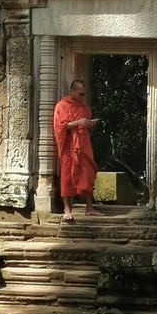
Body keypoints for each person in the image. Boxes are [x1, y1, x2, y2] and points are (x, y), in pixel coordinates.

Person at [53, 79, 100, 219]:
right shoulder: (62, 106)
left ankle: (89, 208)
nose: (82, 97)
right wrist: (78, 122)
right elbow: (59, 127)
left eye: (84, 94)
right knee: (67, 175)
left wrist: (89, 124)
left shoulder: (85, 108)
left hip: (83, 144)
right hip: (69, 146)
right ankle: (67, 209)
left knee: (89, 173)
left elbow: (84, 126)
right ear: (72, 91)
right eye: (80, 94)